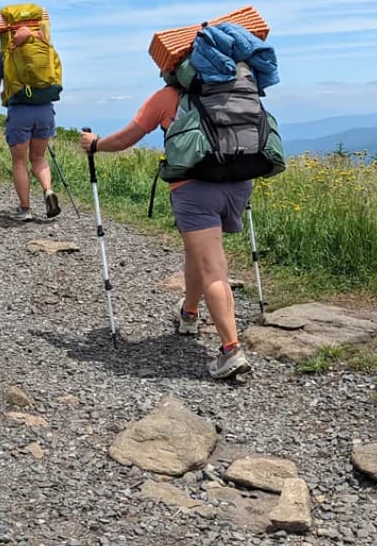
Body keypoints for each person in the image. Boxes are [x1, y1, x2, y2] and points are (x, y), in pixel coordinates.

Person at [80, 85, 252, 379]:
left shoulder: (168, 97)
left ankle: (231, 349)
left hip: (195, 189)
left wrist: (95, 144)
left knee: (213, 268)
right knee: (197, 254)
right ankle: (188, 313)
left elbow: (125, 139)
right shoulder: (235, 90)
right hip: (239, 181)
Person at [0, 31, 61, 222]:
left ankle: (25, 209)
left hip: (20, 112)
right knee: (39, 158)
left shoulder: (2, 56)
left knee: (20, 162)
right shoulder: (45, 49)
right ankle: (48, 191)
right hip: (45, 110)